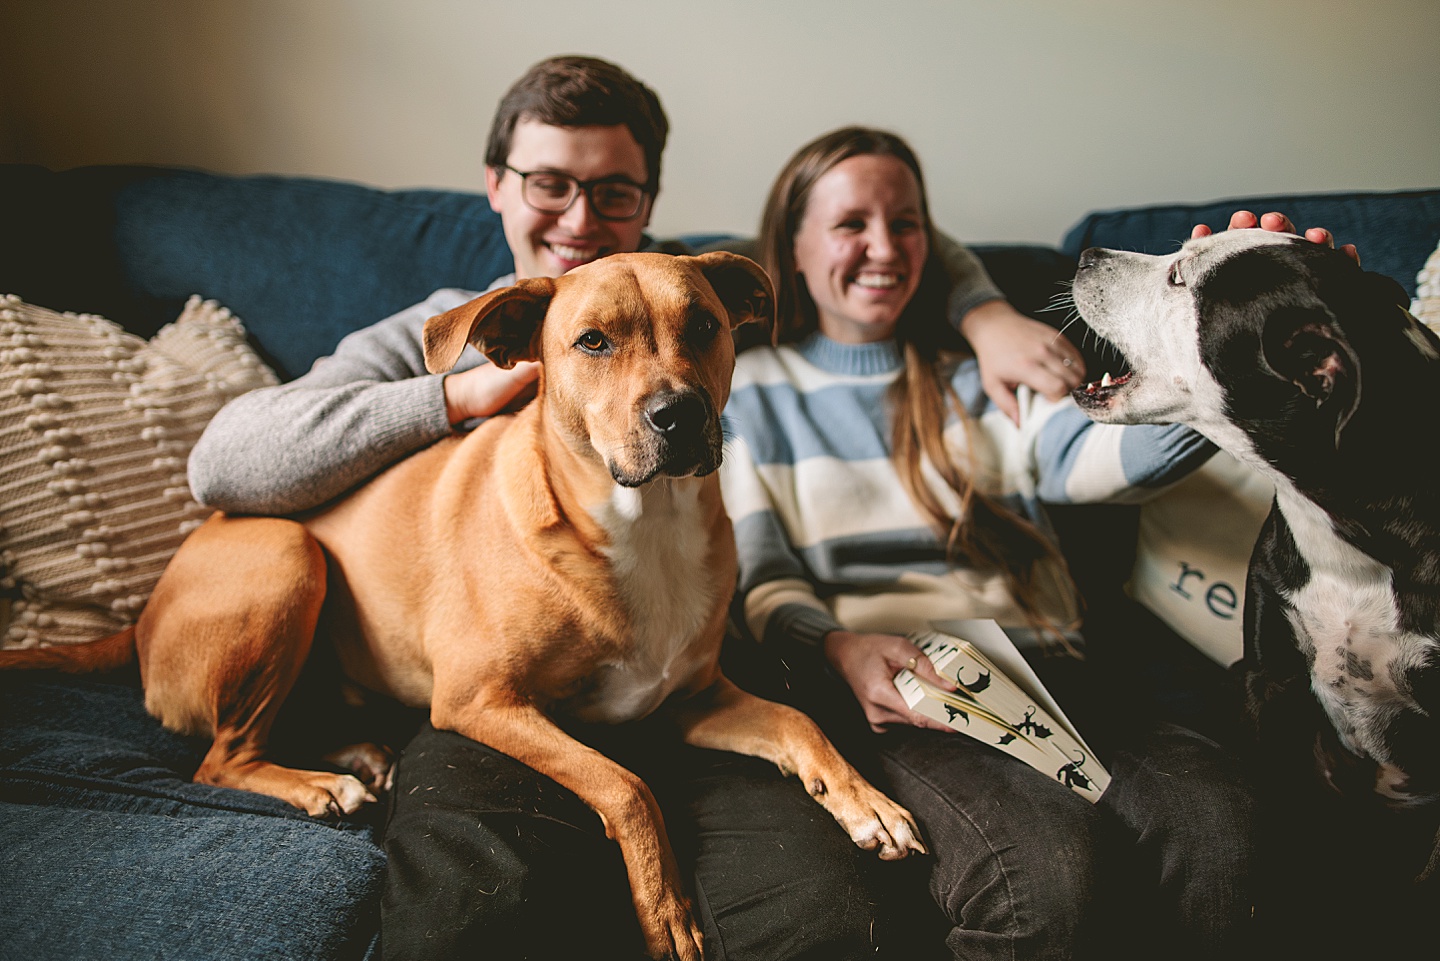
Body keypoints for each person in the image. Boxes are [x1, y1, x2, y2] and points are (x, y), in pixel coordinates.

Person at [186, 58, 1084, 961]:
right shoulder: (453, 324)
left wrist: (985, 310)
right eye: (550, 184)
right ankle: (253, 750)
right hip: (453, 655)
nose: (580, 219)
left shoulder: (687, 286)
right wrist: (462, 395)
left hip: (656, 657)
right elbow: (224, 460)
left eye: (614, 191)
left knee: (832, 921)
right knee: (472, 912)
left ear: (649, 198)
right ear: (495, 187)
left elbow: (865, 231)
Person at [718, 126, 1263, 961]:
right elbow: (760, 576)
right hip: (909, 699)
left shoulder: (979, 372)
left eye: (906, 224)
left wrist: (1228, 362)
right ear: (792, 248)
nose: (883, 247)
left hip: (1060, 675)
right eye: (849, 224)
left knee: (1222, 838)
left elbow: (1105, 463)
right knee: (1041, 878)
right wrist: (832, 647)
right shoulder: (752, 391)